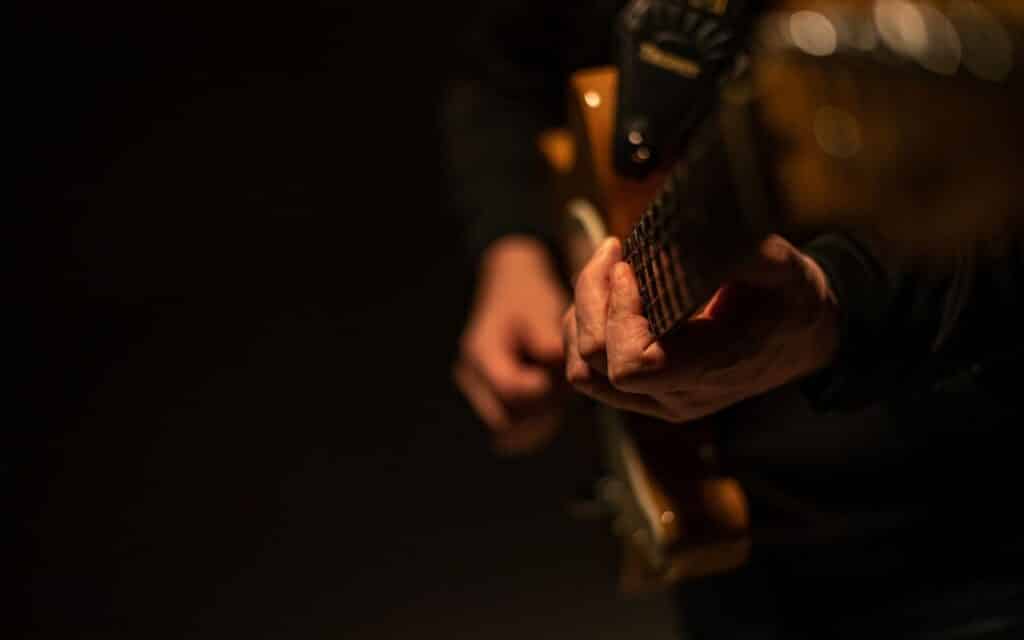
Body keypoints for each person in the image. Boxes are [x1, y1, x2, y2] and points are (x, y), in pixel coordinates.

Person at [444, 1, 1023, 637]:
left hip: (963, 537)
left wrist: (841, 301)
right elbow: (498, 70)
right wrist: (514, 247)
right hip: (726, 538)